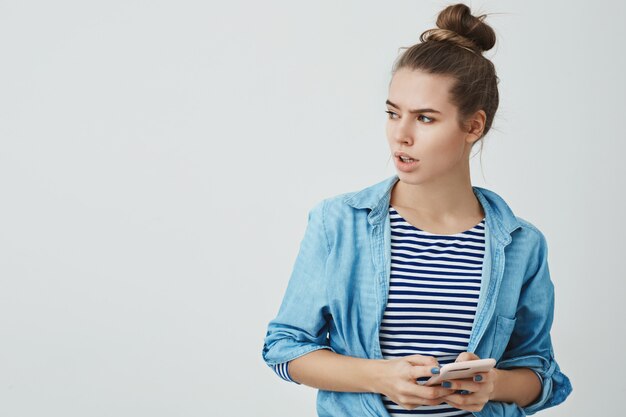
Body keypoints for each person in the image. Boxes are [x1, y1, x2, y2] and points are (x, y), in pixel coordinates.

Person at [261, 3, 572, 416]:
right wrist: (380, 376)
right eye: (393, 113)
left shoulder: (522, 244)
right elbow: (285, 347)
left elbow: (542, 376)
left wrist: (493, 385)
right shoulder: (338, 223)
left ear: (473, 126)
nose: (400, 136)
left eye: (425, 118)